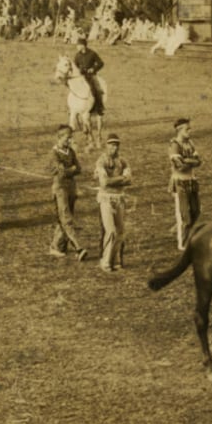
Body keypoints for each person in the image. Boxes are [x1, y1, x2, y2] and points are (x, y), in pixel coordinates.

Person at [49, 124, 89, 260]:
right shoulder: (54, 153)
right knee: (66, 219)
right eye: (67, 137)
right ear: (59, 137)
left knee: (66, 217)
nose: (70, 140)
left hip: (71, 187)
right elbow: (61, 173)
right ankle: (78, 248)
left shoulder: (71, 151)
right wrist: (70, 170)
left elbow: (78, 168)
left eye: (71, 137)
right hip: (60, 188)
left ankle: (56, 246)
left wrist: (70, 170)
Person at [95, 133, 132, 271]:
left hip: (119, 198)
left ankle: (116, 260)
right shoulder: (101, 161)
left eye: (116, 145)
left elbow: (130, 180)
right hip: (106, 199)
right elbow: (104, 182)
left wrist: (115, 180)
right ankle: (105, 261)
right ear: (106, 146)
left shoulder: (123, 161)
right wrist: (121, 178)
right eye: (111, 145)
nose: (114, 148)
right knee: (110, 231)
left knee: (121, 231)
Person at [168, 117, 203, 250]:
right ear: (179, 130)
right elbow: (179, 166)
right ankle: (183, 244)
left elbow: (199, 161)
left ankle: (187, 237)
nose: (190, 131)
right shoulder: (174, 145)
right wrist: (191, 161)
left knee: (196, 211)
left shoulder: (190, 143)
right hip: (180, 183)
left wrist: (186, 160)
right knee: (184, 216)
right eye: (187, 129)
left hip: (192, 181)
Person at [71, 35, 106, 116]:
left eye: (78, 45)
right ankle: (74, 107)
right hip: (81, 76)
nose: (77, 47)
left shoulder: (92, 53)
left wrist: (93, 69)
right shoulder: (77, 55)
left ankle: (99, 107)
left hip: (91, 75)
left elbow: (101, 63)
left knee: (96, 89)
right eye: (77, 45)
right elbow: (75, 66)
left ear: (83, 45)